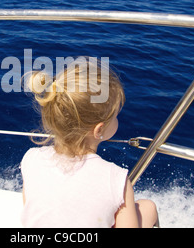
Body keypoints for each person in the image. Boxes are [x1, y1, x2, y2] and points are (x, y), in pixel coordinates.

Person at [20, 57, 158, 228]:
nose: (117, 119)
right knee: (148, 208)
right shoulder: (116, 179)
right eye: (115, 115)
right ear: (99, 130)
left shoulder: (31, 159)